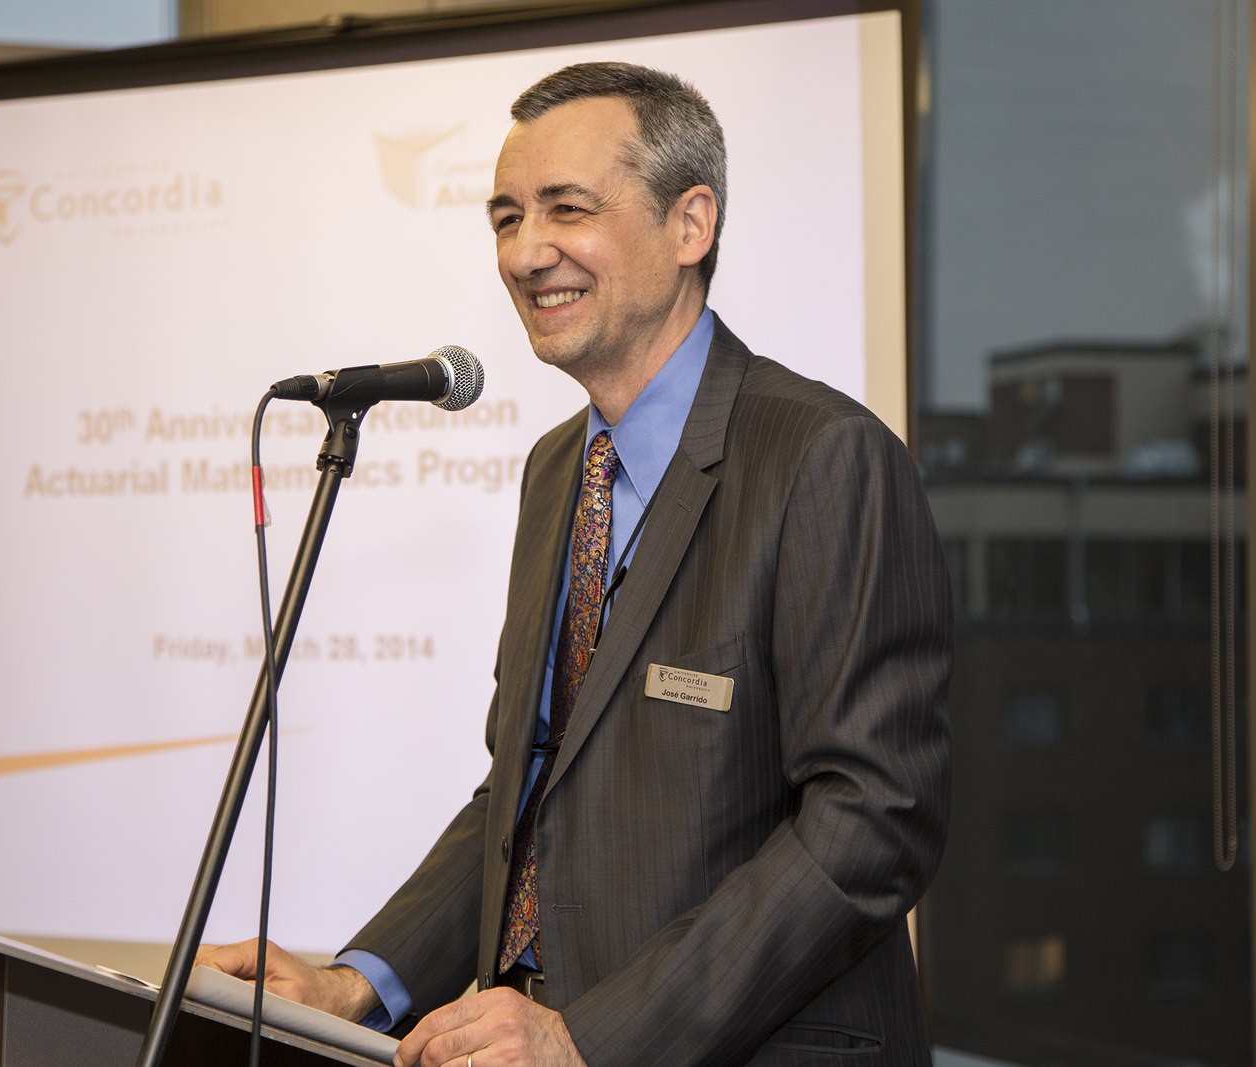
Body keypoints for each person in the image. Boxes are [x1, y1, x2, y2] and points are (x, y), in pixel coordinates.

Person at [200, 61, 953, 1067]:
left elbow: (872, 822)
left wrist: (594, 1036)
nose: (524, 251)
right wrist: (359, 981)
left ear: (690, 225)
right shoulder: (561, 469)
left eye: (566, 209)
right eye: (505, 217)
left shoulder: (822, 456)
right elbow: (522, 796)